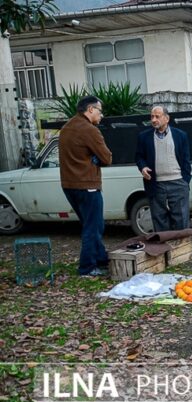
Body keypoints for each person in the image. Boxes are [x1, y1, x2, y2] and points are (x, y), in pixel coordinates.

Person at [59, 95, 112, 276]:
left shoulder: (66, 128)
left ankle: (101, 260)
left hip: (69, 185)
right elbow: (107, 158)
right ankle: (87, 267)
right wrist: (96, 159)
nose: (101, 115)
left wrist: (91, 158)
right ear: (90, 109)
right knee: (94, 227)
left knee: (89, 225)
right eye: (99, 110)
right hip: (87, 185)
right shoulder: (89, 130)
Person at [135, 105, 192, 232]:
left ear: (167, 118)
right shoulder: (144, 137)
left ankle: (181, 250)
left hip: (178, 182)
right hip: (156, 184)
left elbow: (186, 160)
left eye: (157, 116)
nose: (154, 120)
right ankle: (164, 250)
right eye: (152, 117)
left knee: (181, 221)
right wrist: (143, 167)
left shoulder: (180, 136)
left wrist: (185, 180)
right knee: (159, 220)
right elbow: (139, 157)